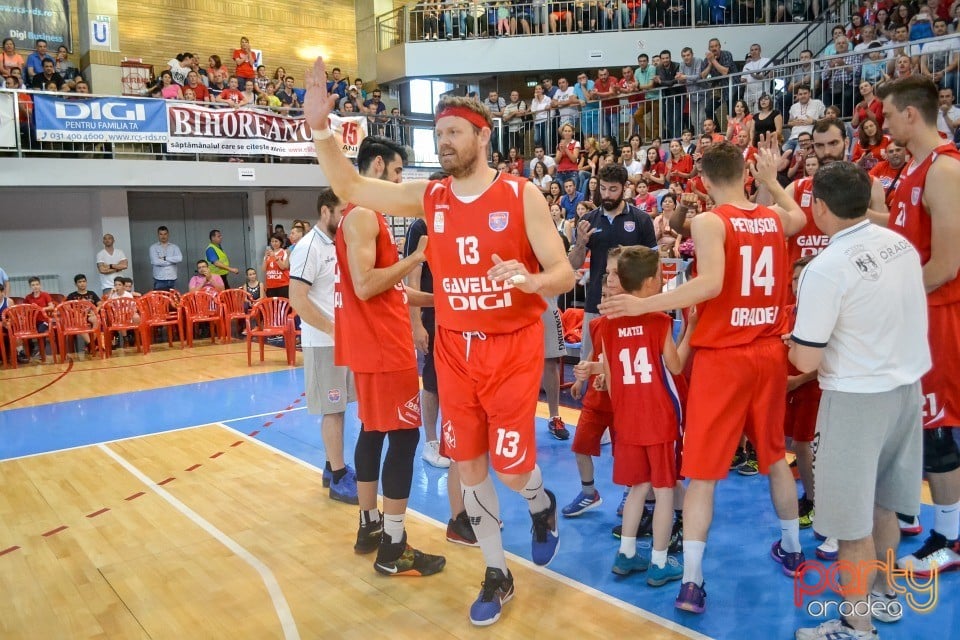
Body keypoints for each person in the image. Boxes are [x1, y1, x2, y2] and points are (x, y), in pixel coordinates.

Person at [304, 57, 575, 627]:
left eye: (454, 131)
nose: (444, 141)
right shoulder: (431, 197)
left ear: (483, 135)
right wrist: (321, 130)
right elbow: (351, 185)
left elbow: (564, 272)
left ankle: (540, 503)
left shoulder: (521, 195)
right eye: (439, 132)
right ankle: (497, 572)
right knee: (468, 464)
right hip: (454, 349)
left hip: (511, 346)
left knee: (511, 467)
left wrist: (534, 281)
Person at [600, 141, 807, 614]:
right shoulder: (772, 218)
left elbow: (710, 284)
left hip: (725, 356)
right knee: (775, 457)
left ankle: (692, 581)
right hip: (769, 352)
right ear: (745, 173)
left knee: (703, 474)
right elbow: (797, 217)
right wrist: (772, 182)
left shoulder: (712, 221)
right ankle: (793, 549)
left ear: (705, 180)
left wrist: (643, 305)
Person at [790, 161, 930, 640]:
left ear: (818, 206)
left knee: (850, 526)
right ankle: (884, 597)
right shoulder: (899, 245)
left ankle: (857, 625)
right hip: (905, 390)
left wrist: (790, 343)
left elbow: (805, 357)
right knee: (885, 507)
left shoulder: (825, 268)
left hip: (855, 398)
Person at [327, 136, 446, 579]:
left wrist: (439, 299)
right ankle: (394, 547)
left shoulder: (361, 215)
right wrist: (417, 257)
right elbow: (365, 285)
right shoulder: (363, 215)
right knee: (404, 438)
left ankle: (370, 526)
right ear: (377, 166)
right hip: (383, 347)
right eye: (397, 172)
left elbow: (389, 289)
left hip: (373, 343)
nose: (399, 182)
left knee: (374, 430)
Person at [876, 77, 960, 578]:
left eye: (888, 114)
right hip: (919, 315)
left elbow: (947, 263)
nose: (882, 123)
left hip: (938, 315)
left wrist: (896, 299)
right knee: (924, 425)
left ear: (911, 113)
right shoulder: (913, 167)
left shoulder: (944, 169)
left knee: (939, 426)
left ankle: (950, 538)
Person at [579, 245, 692, 586]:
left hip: (627, 420)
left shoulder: (606, 326)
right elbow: (675, 366)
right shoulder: (659, 321)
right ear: (650, 283)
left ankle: (626, 553)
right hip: (659, 419)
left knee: (638, 488)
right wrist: (691, 332)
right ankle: (659, 560)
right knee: (664, 490)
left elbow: (612, 379)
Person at [402, 174, 479, 546]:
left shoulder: (459, 221)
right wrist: (417, 323)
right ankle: (432, 441)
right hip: (432, 314)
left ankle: (472, 504)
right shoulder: (421, 225)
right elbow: (413, 274)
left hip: (458, 316)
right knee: (431, 382)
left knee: (456, 388)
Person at [288, 189, 359, 505]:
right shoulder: (308, 248)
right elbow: (297, 300)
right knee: (332, 410)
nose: (345, 218)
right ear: (325, 211)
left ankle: (333, 467)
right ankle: (339, 477)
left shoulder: (338, 244)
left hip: (341, 342)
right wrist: (333, 329)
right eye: (341, 212)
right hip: (323, 343)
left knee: (340, 408)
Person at [568, 163, 657, 367]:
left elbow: (654, 264)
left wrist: (649, 300)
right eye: (603, 188)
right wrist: (580, 243)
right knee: (589, 364)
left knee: (627, 364)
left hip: (632, 303)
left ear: (625, 187)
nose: (607, 194)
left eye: (613, 189)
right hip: (597, 301)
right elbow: (574, 264)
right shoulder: (588, 220)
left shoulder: (641, 219)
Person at [149, 226, 183, 291]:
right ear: (158, 235)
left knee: (173, 297)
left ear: (168, 234)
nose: (163, 236)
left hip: (172, 278)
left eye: (165, 234)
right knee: (160, 297)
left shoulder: (174, 247)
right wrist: (172, 262)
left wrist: (165, 258)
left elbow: (179, 258)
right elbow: (155, 262)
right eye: (161, 234)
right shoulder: (153, 247)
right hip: (159, 279)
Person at [263, 233, 290, 298]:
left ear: (280, 242)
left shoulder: (284, 252)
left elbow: (283, 267)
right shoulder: (268, 253)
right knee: (272, 304)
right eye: (272, 241)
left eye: (276, 241)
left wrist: (275, 256)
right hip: (270, 285)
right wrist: (265, 258)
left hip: (283, 285)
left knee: (283, 304)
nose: (274, 243)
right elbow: (264, 269)